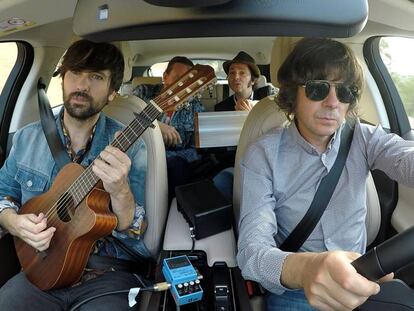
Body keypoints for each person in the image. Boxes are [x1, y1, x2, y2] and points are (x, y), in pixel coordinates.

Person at [236, 37, 408, 311]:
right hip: (295, 292)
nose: (332, 102)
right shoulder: (263, 154)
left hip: (364, 280)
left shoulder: (365, 138)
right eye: (317, 89)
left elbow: (405, 158)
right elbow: (252, 253)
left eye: (345, 92)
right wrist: (306, 270)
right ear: (293, 94)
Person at [0, 39, 149, 310]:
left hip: (106, 275)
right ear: (62, 80)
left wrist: (120, 190)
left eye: (96, 77)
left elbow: (135, 232)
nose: (82, 86)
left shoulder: (131, 147)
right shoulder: (26, 139)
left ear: (112, 91)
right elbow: (1, 194)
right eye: (76, 74)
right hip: (40, 269)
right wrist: (12, 221)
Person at [133, 56, 205, 202]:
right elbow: (125, 116)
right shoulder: (143, 93)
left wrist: (164, 158)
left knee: (178, 167)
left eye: (187, 81)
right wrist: (156, 125)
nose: (182, 85)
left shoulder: (196, 108)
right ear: (165, 77)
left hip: (175, 163)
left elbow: (197, 152)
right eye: (178, 78)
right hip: (140, 155)